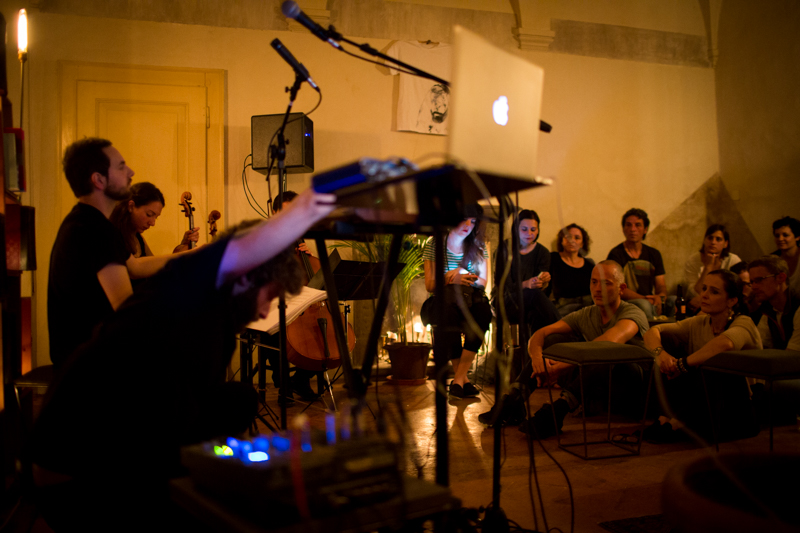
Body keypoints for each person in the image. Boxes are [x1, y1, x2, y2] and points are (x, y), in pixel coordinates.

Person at [29, 188, 336, 531]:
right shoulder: (200, 320)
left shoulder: (190, 291)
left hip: (87, 453)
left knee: (237, 399)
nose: (266, 311)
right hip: (74, 483)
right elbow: (166, 431)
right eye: (270, 296)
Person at [48, 139, 198, 367]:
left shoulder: (88, 221)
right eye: (121, 166)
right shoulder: (94, 229)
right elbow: (126, 309)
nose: (131, 172)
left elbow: (135, 267)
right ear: (98, 180)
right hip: (90, 362)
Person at [479, 261, 649, 432]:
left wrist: (559, 367)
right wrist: (538, 359)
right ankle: (514, 401)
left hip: (631, 391)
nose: (598, 289)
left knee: (605, 354)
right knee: (553, 339)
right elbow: (541, 334)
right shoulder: (587, 314)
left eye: (606, 283)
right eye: (594, 282)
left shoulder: (632, 313)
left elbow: (606, 343)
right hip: (599, 387)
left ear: (621, 288)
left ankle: (558, 411)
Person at [643, 269, 761, 443]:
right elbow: (652, 331)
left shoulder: (744, 322)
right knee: (667, 354)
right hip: (707, 401)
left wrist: (682, 365)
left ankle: (679, 422)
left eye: (714, 292)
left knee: (713, 366)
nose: (704, 295)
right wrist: (662, 356)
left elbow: (725, 344)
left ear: (732, 300)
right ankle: (665, 418)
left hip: (740, 405)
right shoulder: (699, 322)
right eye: (704, 288)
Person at [421, 207, 492, 399]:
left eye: (473, 221)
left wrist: (461, 274)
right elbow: (430, 284)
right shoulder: (435, 243)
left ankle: (459, 379)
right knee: (447, 312)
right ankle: (463, 380)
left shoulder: (478, 245)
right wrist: (449, 278)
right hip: (445, 300)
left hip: (471, 298)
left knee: (484, 312)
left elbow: (483, 282)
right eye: (464, 219)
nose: (468, 225)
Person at [264, 190, 321, 401]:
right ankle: (283, 383)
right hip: (272, 306)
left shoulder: (299, 242)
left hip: (301, 310)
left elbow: (315, 283)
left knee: (325, 337)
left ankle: (300, 380)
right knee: (273, 331)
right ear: (274, 212)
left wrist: (309, 259)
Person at [746, 255, 800, 423]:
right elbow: (759, 346)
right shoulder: (769, 309)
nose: (753, 287)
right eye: (751, 282)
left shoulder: (798, 305)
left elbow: (792, 357)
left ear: (781, 278)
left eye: (759, 280)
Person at [494, 209, 558, 336]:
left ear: (538, 230)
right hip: (505, 302)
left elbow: (542, 292)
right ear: (516, 229)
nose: (529, 233)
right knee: (533, 295)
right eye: (524, 229)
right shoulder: (504, 249)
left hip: (531, 302)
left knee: (536, 313)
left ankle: (535, 348)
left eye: (533, 230)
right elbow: (505, 287)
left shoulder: (543, 252)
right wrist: (526, 284)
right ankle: (564, 330)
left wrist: (543, 282)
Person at [109, 181, 199, 258]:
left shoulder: (137, 238)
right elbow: (137, 267)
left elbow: (153, 267)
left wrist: (183, 245)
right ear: (131, 206)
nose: (152, 223)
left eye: (156, 217)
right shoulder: (112, 235)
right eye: (149, 214)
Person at [607, 208, 669, 319]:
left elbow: (661, 284)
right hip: (626, 302)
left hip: (649, 299)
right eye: (628, 225)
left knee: (674, 301)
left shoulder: (654, 254)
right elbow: (617, 288)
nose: (633, 229)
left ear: (645, 229)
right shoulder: (616, 254)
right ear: (623, 229)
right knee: (644, 305)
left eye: (638, 225)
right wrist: (645, 299)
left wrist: (660, 297)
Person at [683, 224, 742, 313]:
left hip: (724, 302)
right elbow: (697, 291)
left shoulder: (733, 260)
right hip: (698, 301)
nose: (713, 242)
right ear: (704, 241)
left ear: (725, 244)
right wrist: (708, 267)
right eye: (710, 238)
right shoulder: (693, 260)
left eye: (718, 239)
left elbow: (736, 290)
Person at [549, 223, 595, 316]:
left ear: (582, 243)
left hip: (588, 308)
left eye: (577, 238)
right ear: (561, 240)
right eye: (568, 237)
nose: (572, 241)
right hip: (562, 309)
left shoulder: (589, 264)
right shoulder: (552, 258)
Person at [771, 216, 800, 293]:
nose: (780, 239)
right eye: (777, 236)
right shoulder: (772, 261)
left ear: (797, 237)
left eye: (785, 235)